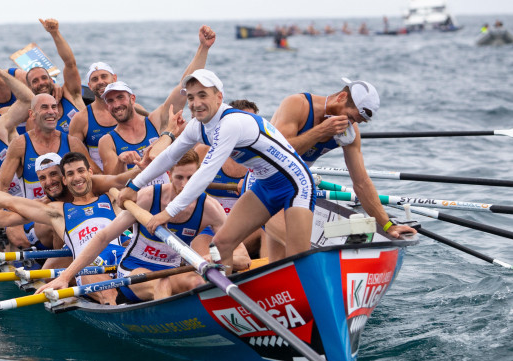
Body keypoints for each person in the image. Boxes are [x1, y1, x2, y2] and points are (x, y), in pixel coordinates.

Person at [119, 69, 316, 274]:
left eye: (203, 95)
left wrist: (168, 213)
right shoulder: (197, 126)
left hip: (295, 184)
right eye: (191, 97)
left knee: (298, 258)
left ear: (219, 97)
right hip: (264, 185)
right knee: (222, 244)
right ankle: (225, 300)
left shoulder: (231, 124)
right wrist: (134, 186)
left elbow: (205, 174)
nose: (196, 103)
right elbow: (169, 156)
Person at [36, 150, 238, 302]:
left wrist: (214, 257)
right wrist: (66, 276)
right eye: (179, 178)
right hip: (131, 271)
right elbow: (103, 237)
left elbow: (240, 256)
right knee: (161, 284)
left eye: (191, 178)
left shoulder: (211, 208)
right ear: (169, 174)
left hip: (171, 269)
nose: (185, 185)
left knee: (196, 283)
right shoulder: (148, 198)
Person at [264, 77, 416, 260]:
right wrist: (321, 131)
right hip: (263, 185)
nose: (350, 124)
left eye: (355, 121)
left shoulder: (350, 130)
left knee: (281, 261)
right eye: (351, 117)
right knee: (299, 249)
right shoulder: (298, 105)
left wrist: (387, 226)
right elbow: (277, 152)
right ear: (342, 97)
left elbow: (361, 182)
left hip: (295, 189)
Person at [0, 152, 127, 304]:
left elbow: (122, 180)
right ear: (66, 178)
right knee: (46, 272)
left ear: (63, 177)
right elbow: (9, 209)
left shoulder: (97, 188)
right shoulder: (50, 207)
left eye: (53, 174)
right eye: (43, 178)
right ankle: (81, 288)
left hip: (113, 247)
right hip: (77, 252)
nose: (50, 182)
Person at [97, 25, 216, 178]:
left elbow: (184, 87)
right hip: (136, 197)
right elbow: (113, 184)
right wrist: (121, 163)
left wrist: (203, 48)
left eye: (120, 97)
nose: (117, 104)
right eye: (111, 101)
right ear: (107, 107)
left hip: (164, 195)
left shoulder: (155, 121)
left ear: (132, 99)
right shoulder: (107, 141)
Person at [68, 62, 149, 171]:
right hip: (104, 180)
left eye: (104, 76)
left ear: (114, 78)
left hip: (138, 173)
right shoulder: (81, 119)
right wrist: (103, 179)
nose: (100, 82)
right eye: (95, 79)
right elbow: (76, 157)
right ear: (89, 86)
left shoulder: (136, 109)